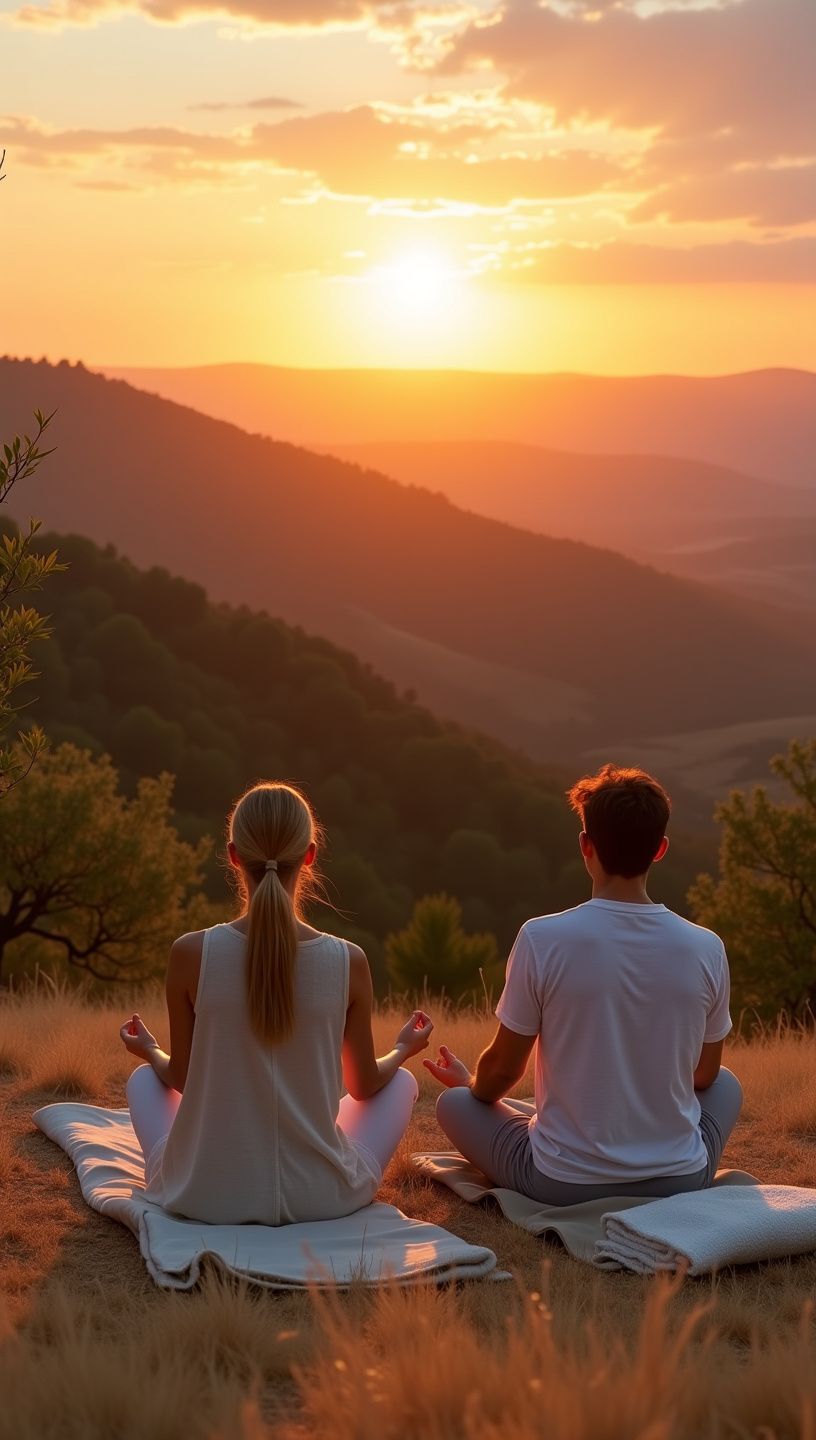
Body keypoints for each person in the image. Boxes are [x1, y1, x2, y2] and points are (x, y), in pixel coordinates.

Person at [424, 764, 743, 1206]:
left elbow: (502, 1073)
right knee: (727, 1083)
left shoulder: (542, 938)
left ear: (585, 845)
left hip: (564, 1183)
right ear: (661, 850)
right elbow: (704, 1076)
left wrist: (470, 1086)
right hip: (679, 1179)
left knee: (454, 1105)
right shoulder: (706, 947)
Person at [120, 781, 432, 1225]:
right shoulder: (349, 961)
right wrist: (404, 1048)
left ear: (233, 856)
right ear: (309, 855)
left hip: (205, 1195)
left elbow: (182, 1078)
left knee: (142, 1080)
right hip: (322, 1198)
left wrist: (148, 1050)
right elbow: (362, 1086)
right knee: (399, 1082)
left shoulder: (191, 953)